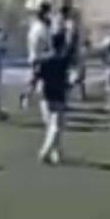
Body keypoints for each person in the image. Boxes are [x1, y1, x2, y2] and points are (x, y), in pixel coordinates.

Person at [37, 22, 71, 165]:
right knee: (57, 126)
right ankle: (45, 152)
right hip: (58, 94)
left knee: (53, 125)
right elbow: (67, 77)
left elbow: (37, 76)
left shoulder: (44, 59)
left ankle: (56, 152)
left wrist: (27, 93)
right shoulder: (63, 60)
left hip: (45, 94)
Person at [21, 2, 54, 110]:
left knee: (36, 79)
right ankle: (27, 97)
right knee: (36, 79)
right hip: (40, 57)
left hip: (37, 56)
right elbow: (45, 42)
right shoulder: (40, 27)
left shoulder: (36, 25)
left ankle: (28, 97)